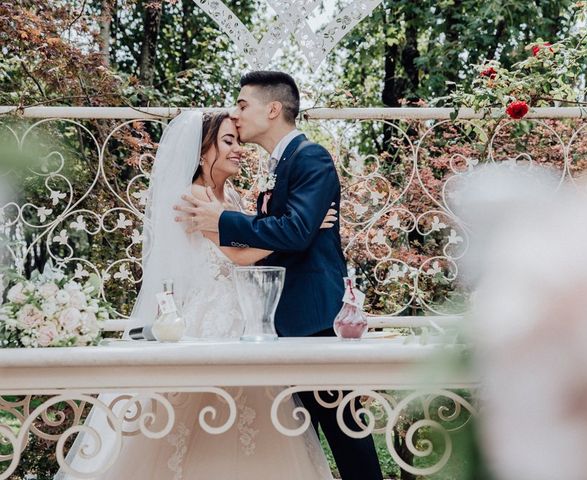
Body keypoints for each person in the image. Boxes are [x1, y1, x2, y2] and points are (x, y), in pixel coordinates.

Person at [56, 111, 335, 479]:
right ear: (203, 153)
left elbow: (250, 242)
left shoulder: (230, 195)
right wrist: (304, 231)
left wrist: (287, 229)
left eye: (238, 140)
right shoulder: (193, 196)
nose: (239, 150)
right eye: (228, 141)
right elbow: (236, 254)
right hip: (206, 323)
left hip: (243, 321)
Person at [175, 71, 383, 480]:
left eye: (242, 105)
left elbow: (292, 231)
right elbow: (285, 234)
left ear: (272, 109)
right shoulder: (277, 166)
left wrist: (234, 219)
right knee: (295, 439)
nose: (236, 115)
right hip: (281, 322)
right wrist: (292, 226)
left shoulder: (310, 157)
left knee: (347, 434)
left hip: (316, 319)